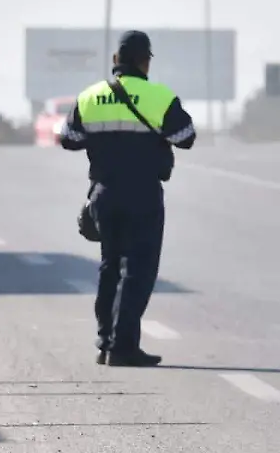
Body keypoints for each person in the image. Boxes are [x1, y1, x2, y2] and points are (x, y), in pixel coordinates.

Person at [59, 30, 197, 367]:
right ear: (144, 61)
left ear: (115, 62)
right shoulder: (159, 97)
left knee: (110, 266)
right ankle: (123, 346)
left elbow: (69, 139)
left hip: (103, 194)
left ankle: (106, 343)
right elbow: (186, 137)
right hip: (143, 195)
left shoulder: (90, 97)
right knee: (137, 269)